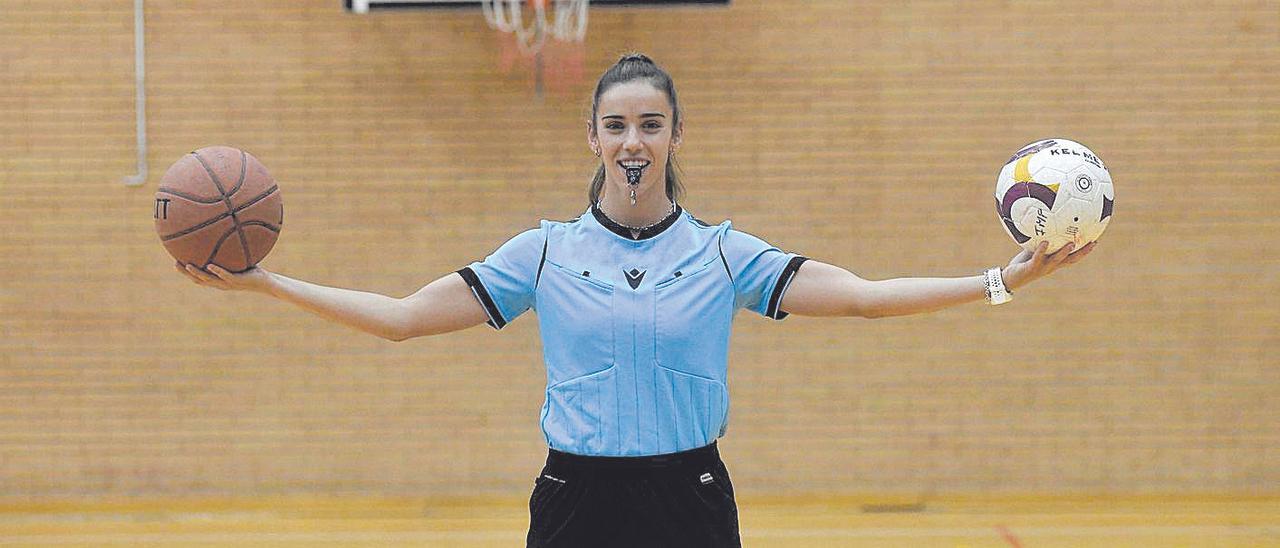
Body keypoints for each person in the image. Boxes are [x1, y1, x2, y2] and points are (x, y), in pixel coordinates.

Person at [176, 53, 1094, 548]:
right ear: (593, 137)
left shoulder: (723, 253)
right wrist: (266, 284)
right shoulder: (540, 253)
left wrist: (997, 281)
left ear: (673, 134)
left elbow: (859, 297)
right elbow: (404, 319)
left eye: (649, 124)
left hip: (689, 497)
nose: (632, 140)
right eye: (616, 123)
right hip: (575, 499)